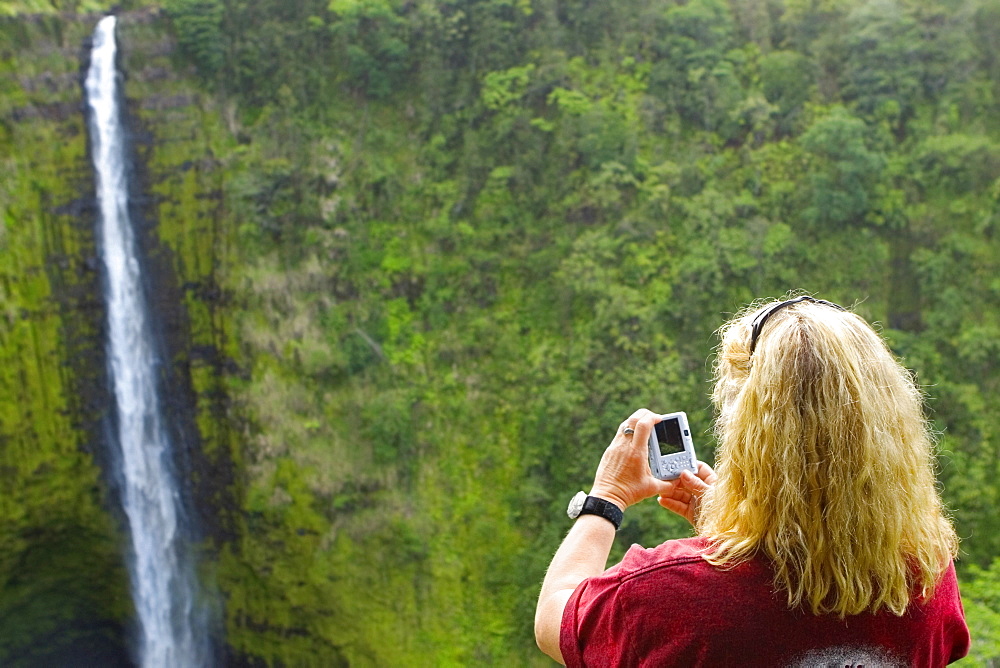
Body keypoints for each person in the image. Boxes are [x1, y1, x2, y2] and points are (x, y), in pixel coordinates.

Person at [534, 296, 970, 667]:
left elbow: (556, 617)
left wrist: (607, 498)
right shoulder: (926, 574)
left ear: (747, 435)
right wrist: (737, 529)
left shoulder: (665, 594)